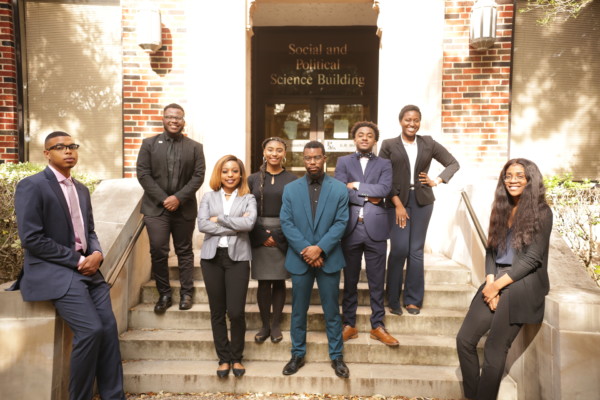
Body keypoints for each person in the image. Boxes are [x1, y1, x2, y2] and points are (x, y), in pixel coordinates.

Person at [11, 131, 125, 400]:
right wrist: (77, 260)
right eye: (60, 147)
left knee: (108, 331)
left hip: (89, 271)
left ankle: (114, 396)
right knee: (91, 330)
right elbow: (32, 239)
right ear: (47, 153)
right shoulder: (33, 185)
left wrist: (96, 253)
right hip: (56, 271)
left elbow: (90, 232)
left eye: (72, 146)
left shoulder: (82, 189)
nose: (68, 151)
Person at [456, 159, 553, 400]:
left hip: (523, 284)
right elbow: (491, 250)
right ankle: (473, 395)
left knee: (494, 348)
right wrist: (490, 283)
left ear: (530, 179)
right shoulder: (501, 208)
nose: (513, 180)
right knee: (464, 340)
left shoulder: (542, 212)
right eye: (508, 176)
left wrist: (497, 286)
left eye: (519, 176)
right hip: (496, 279)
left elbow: (532, 259)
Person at [379, 104, 459, 315]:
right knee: (398, 249)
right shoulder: (388, 145)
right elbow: (383, 178)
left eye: (415, 120)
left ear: (419, 122)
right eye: (407, 120)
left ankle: (413, 299)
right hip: (397, 202)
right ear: (400, 121)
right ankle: (393, 298)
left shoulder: (428, 143)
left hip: (422, 201)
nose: (412, 124)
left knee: (416, 251)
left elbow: (452, 163)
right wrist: (397, 205)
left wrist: (437, 180)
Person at [280, 141, 350, 378]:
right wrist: (307, 251)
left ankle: (337, 356)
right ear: (303, 159)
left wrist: (319, 249)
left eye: (317, 157)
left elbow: (341, 223)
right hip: (300, 260)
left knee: (332, 311)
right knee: (299, 310)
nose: (312, 162)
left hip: (328, 259)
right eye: (308, 158)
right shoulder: (290, 189)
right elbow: (287, 224)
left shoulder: (340, 189)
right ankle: (297, 354)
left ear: (324, 158)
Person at [334, 121, 399, 346]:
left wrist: (356, 186)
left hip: (376, 229)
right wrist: (368, 194)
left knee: (376, 280)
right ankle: (349, 324)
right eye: (360, 135)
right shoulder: (342, 161)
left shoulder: (384, 163)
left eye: (369, 135)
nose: (364, 138)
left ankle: (377, 325)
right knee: (350, 280)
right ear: (354, 138)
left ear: (374, 140)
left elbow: (384, 190)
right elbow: (340, 190)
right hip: (350, 229)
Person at [136, 103, 205, 313]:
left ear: (184, 121)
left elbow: (198, 176)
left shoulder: (195, 147)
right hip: (156, 209)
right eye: (170, 117)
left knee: (184, 251)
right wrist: (165, 199)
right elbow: (143, 174)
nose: (174, 120)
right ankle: (164, 294)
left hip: (184, 208)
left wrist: (178, 198)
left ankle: (186, 293)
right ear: (163, 119)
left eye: (178, 117)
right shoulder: (149, 144)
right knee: (158, 250)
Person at [197, 155, 257, 378]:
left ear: (241, 174)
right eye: (225, 171)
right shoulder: (208, 197)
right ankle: (223, 359)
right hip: (212, 259)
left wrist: (219, 219)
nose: (230, 175)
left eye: (234, 171)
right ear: (219, 174)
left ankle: (237, 357)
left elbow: (249, 224)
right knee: (217, 311)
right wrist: (234, 223)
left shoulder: (248, 198)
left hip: (238, 259)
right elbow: (202, 224)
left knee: (236, 311)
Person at [248, 137, 297, 344]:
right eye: (270, 150)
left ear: (285, 153)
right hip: (258, 230)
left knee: (278, 281)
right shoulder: (252, 179)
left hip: (283, 233)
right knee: (263, 281)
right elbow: (246, 210)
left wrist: (278, 236)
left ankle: (276, 324)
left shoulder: (293, 180)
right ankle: (265, 324)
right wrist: (261, 235)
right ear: (264, 152)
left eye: (279, 150)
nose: (274, 154)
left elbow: (296, 212)